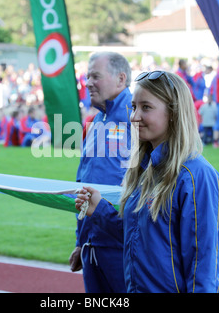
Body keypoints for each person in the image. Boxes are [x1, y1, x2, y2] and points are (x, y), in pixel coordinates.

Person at [75, 70, 219, 293]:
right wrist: (100, 212)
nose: (135, 117)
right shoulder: (144, 169)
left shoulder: (195, 176)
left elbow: (203, 265)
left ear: (173, 112)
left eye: (146, 107)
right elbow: (142, 239)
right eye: (134, 107)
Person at [69, 52, 132, 293]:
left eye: (95, 76)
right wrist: (80, 241)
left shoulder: (139, 118)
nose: (87, 83)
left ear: (120, 79)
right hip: (93, 245)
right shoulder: (95, 123)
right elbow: (82, 185)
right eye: (87, 77)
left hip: (124, 245)